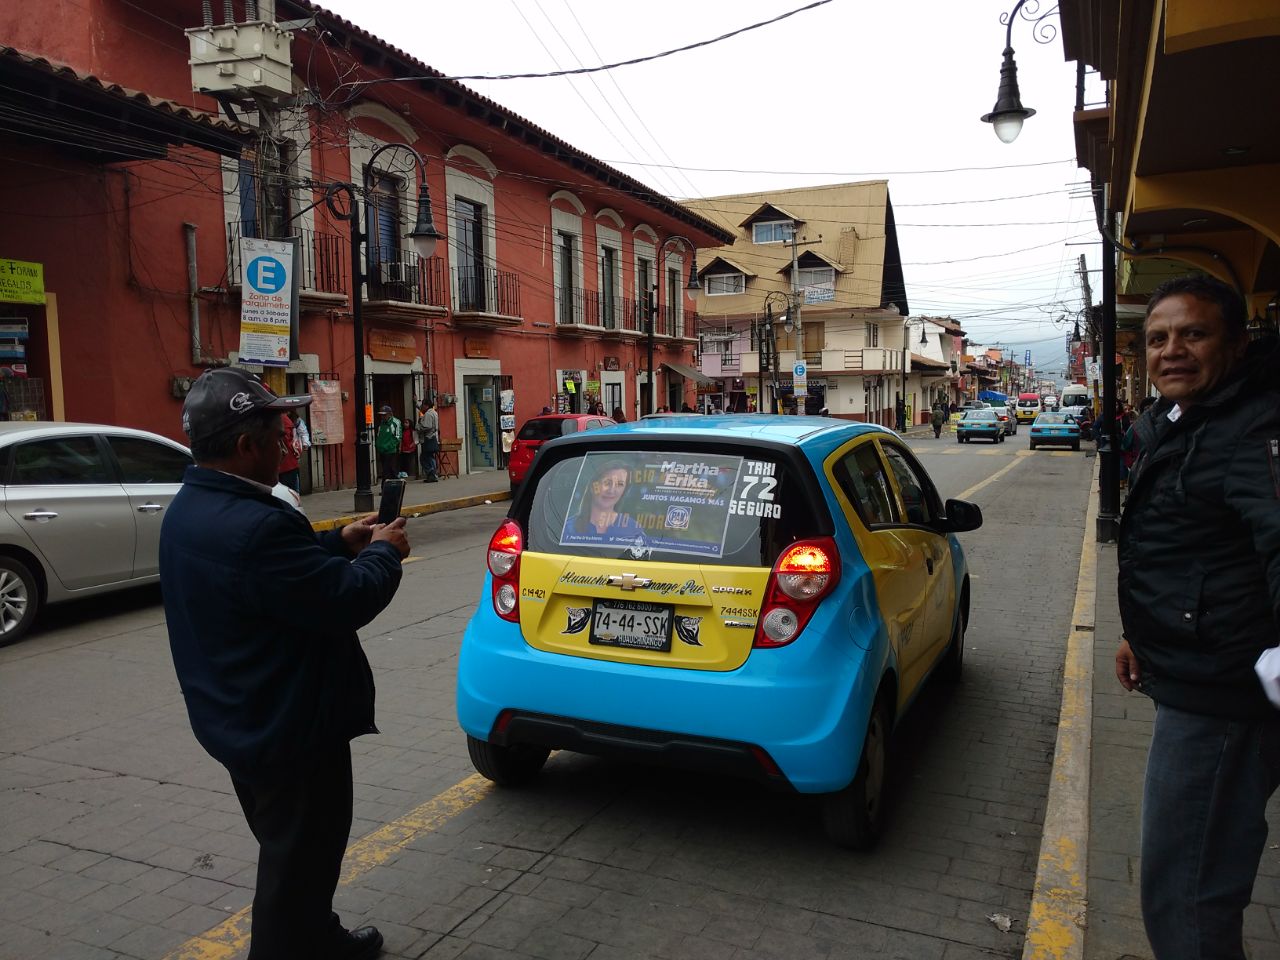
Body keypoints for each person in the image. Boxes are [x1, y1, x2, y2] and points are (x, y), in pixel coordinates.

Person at [160, 367, 409, 960]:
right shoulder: (259, 524)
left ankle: (318, 936)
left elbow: (270, 577)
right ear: (246, 446)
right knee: (295, 865)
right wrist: (383, 554)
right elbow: (344, 601)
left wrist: (336, 541)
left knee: (303, 853)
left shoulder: (193, 507)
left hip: (240, 719)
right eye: (278, 435)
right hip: (289, 732)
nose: (287, 445)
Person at [1114, 275, 1280, 960]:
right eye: (1158, 338)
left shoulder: (1254, 427)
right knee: (1187, 879)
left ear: (1238, 343)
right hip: (1192, 668)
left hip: (1225, 695)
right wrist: (1139, 634)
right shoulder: (1191, 418)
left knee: (1187, 891)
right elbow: (1187, 547)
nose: (1171, 350)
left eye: (1194, 333)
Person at [563, 459, 641, 543]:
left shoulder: (633, 529)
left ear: (624, 491)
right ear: (593, 487)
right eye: (607, 482)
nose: (611, 490)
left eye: (620, 484)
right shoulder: (568, 528)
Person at [374, 405, 401, 482]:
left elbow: (397, 436)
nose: (382, 417)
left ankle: (385, 488)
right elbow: (379, 435)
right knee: (388, 470)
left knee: (387, 471)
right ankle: (393, 486)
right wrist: (378, 445)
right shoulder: (381, 424)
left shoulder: (395, 422)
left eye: (384, 415)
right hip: (382, 450)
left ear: (390, 414)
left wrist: (389, 446)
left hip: (390, 450)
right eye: (381, 415)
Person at [415, 398, 440, 483]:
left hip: (428, 438)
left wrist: (418, 427)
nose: (422, 406)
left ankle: (432, 473)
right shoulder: (434, 412)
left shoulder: (428, 414)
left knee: (425, 457)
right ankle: (433, 474)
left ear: (426, 405)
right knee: (429, 457)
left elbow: (427, 426)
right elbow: (422, 410)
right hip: (432, 437)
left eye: (423, 405)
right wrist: (416, 403)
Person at [277, 412, 301, 491]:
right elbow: (289, 441)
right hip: (288, 464)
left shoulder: (278, 418)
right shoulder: (284, 419)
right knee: (292, 492)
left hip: (283, 466)